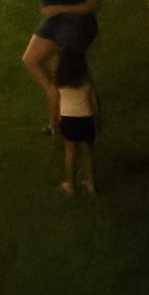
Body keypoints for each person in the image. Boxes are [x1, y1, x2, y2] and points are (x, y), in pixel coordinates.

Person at [20, 0, 101, 133]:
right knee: (30, 59)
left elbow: (94, 4)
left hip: (77, 23)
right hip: (54, 17)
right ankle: (52, 93)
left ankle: (61, 124)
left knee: (67, 74)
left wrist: (59, 9)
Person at [54, 48, 98, 197]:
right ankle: (91, 184)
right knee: (88, 152)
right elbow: (94, 101)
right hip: (86, 118)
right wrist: (98, 119)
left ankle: (71, 187)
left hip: (68, 119)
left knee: (70, 152)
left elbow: (56, 101)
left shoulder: (60, 81)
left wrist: (55, 122)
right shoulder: (86, 80)